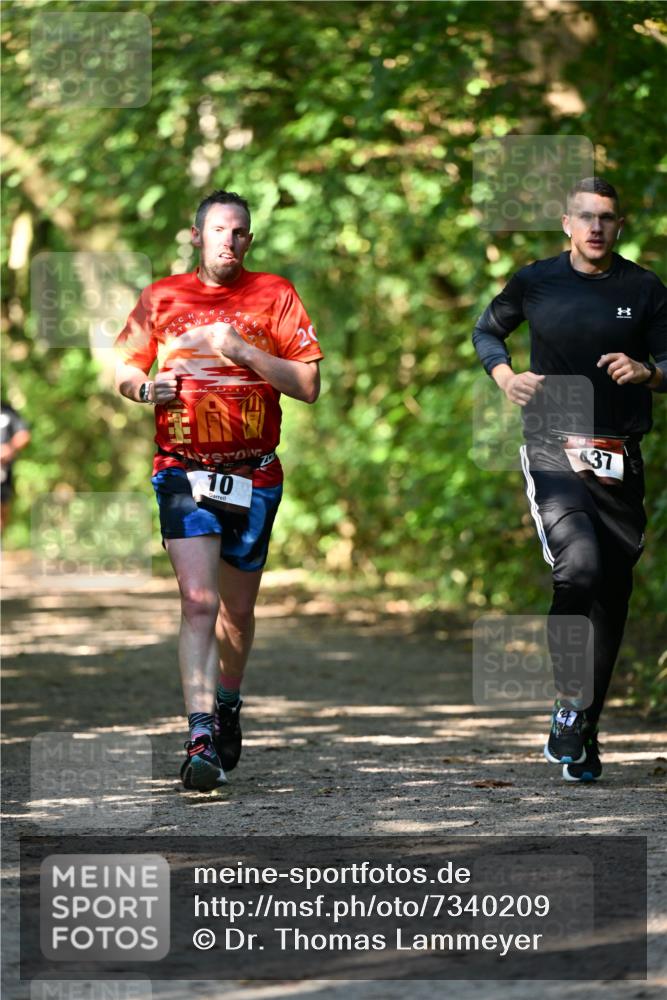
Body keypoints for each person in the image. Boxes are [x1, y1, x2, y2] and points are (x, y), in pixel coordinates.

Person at [114, 190, 323, 792]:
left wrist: (242, 350)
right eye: (218, 231)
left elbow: (308, 385)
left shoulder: (274, 294)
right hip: (181, 469)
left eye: (239, 233)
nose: (227, 241)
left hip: (254, 472)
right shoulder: (162, 297)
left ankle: (227, 700)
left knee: (237, 612)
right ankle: (201, 733)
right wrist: (142, 390)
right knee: (199, 602)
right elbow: (126, 367)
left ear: (249, 241)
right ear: (196, 235)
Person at [473, 177, 666, 781]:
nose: (596, 227)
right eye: (585, 217)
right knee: (577, 566)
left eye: (607, 218)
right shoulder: (535, 280)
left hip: (620, 456)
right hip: (552, 445)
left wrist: (647, 371)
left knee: (611, 595)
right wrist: (506, 379)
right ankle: (567, 703)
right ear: (566, 223)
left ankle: (585, 725)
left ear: (619, 226)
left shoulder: (644, 288)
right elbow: (486, 331)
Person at [0, 400, 31, 534]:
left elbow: (23, 435)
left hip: (3, 471)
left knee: (2, 507)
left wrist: (9, 448)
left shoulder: (8, 411)